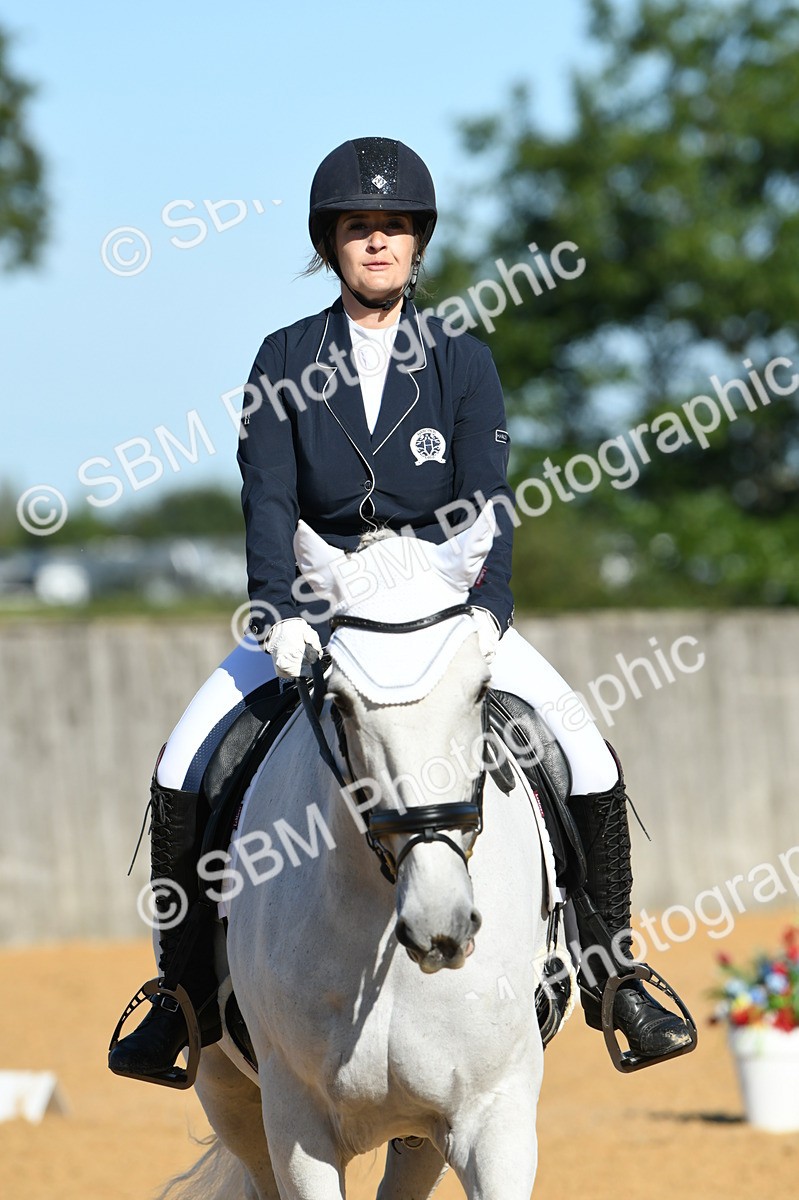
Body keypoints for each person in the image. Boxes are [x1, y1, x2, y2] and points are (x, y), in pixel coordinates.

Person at [109, 136, 693, 1083]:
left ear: (416, 242)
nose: (376, 242)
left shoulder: (462, 361)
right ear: (330, 244)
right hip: (321, 602)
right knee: (182, 762)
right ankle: (179, 994)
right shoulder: (284, 357)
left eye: (392, 227)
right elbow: (267, 497)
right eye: (357, 228)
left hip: (441, 605)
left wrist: (488, 608)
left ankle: (613, 973)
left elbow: (487, 499)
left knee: (584, 752)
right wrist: (277, 611)